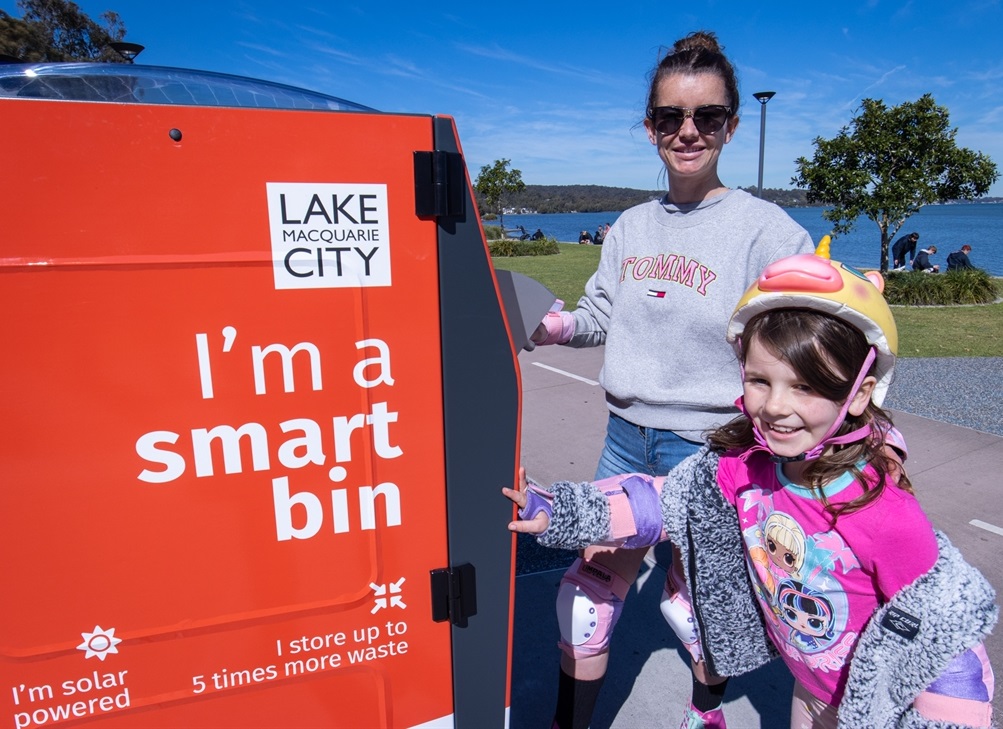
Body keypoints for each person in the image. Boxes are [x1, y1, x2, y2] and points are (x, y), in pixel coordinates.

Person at [509, 251, 997, 728]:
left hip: (868, 705)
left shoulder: (879, 511)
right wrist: (556, 509)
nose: (776, 407)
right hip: (807, 687)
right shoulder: (744, 465)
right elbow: (658, 501)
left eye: (806, 387)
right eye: (760, 380)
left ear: (860, 394)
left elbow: (944, 638)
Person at [529, 30, 815, 729]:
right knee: (584, 601)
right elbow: (601, 311)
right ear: (650, 125)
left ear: (730, 126)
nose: (686, 132)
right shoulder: (629, 226)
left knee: (702, 609)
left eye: (705, 117)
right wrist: (559, 326)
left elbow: (806, 336)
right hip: (626, 443)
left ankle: (703, 712)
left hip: (712, 453)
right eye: (668, 118)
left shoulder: (766, 231)